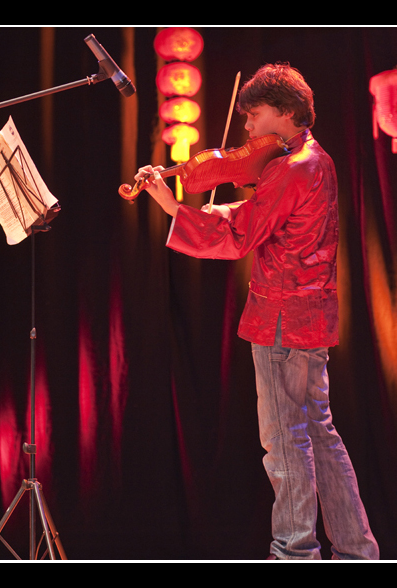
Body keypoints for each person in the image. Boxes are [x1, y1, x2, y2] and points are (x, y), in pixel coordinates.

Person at [137, 63, 379, 560]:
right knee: (318, 433)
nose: (247, 128)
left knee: (284, 442)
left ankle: (294, 551)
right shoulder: (315, 158)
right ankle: (356, 550)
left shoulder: (292, 169)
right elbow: (251, 216)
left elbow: (242, 235)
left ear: (287, 114)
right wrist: (175, 203)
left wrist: (174, 209)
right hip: (310, 318)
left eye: (256, 115)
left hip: (282, 320)